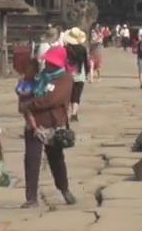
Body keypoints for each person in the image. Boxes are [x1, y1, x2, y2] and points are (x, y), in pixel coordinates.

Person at [18, 47, 77, 208]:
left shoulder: (65, 79)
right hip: (34, 124)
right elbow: (25, 91)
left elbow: (51, 100)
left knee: (56, 159)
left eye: (52, 62)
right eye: (48, 62)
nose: (49, 65)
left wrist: (29, 104)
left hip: (54, 124)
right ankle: (31, 198)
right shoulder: (39, 77)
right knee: (31, 160)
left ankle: (64, 189)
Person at [64, 28, 89, 122]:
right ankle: (74, 114)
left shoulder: (66, 49)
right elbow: (86, 62)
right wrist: (86, 73)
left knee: (69, 94)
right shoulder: (83, 49)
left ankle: (68, 112)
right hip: (80, 73)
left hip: (68, 73)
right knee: (77, 95)